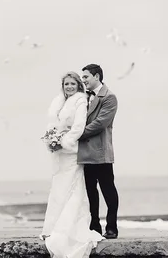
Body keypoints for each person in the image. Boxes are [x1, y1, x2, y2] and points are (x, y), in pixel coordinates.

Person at [40, 71, 104, 258]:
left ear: (78, 85)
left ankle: (69, 228)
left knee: (72, 187)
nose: (69, 87)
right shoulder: (58, 101)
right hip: (58, 152)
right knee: (58, 188)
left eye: (72, 84)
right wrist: (51, 140)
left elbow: (78, 127)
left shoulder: (80, 101)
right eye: (66, 84)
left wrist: (64, 142)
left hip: (71, 150)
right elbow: (52, 123)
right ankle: (52, 227)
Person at [78, 64, 119, 239]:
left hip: (101, 153)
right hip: (84, 154)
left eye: (86, 77)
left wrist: (75, 134)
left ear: (96, 76)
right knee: (90, 192)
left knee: (108, 190)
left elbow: (100, 123)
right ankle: (94, 226)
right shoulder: (81, 97)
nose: (83, 80)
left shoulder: (109, 97)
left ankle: (112, 226)